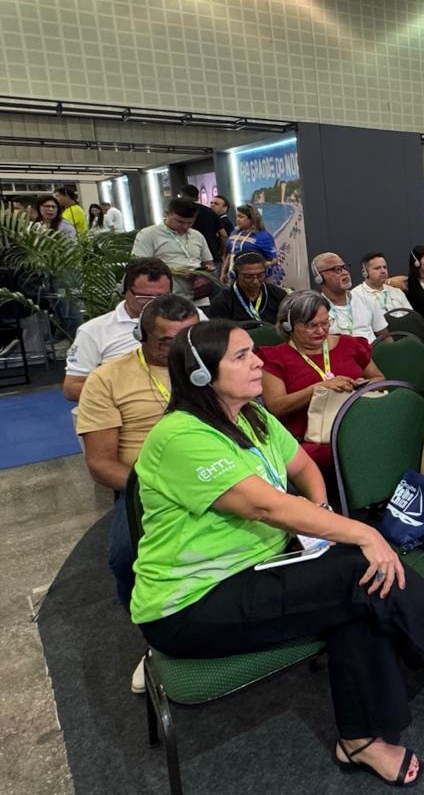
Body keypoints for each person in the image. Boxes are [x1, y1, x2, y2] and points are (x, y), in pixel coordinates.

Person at [132, 318, 424, 787]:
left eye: (252, 351)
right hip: (191, 604)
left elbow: (303, 468)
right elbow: (265, 506)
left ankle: (360, 740)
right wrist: (359, 534)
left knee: (364, 582)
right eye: (241, 356)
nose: (257, 361)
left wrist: (322, 519)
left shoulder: (252, 417)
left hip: (261, 568)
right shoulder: (181, 437)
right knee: (360, 567)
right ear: (202, 374)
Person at [77, 294, 200, 619]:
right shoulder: (107, 379)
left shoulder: (208, 364)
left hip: (215, 469)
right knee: (126, 556)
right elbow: (100, 464)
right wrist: (161, 487)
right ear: (140, 335)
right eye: (167, 342)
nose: (180, 350)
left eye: (189, 338)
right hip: (146, 484)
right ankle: (146, 617)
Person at [260, 291, 385, 483]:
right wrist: (318, 389)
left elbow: (379, 378)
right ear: (288, 326)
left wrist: (360, 388)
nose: (321, 331)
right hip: (312, 441)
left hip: (360, 429)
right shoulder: (276, 358)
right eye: (312, 326)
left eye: (326, 322)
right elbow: (277, 406)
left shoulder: (349, 344)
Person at [63, 258, 174, 401]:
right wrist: (122, 396)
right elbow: (72, 387)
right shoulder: (93, 331)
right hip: (123, 405)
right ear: (124, 291)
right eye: (144, 297)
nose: (154, 303)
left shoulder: (192, 318)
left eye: (162, 297)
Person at [131, 197, 214, 299]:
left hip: (199, 296)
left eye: (190, 223)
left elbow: (208, 262)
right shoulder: (148, 234)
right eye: (180, 222)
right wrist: (173, 272)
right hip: (169, 297)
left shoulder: (197, 235)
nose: (185, 226)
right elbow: (139, 266)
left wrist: (205, 273)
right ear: (167, 214)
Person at [312, 252, 387, 343]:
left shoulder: (367, 300)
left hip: (370, 350)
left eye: (344, 267)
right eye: (337, 269)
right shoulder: (315, 309)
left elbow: (385, 337)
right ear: (320, 277)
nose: (345, 272)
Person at [207, 252, 287, 324]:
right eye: (248, 277)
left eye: (260, 275)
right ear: (235, 275)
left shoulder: (278, 295)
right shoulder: (222, 301)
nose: (255, 281)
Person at [224, 204, 283, 285]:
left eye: (241, 217)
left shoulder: (264, 236)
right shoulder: (234, 233)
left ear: (252, 219)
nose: (237, 220)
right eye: (237, 216)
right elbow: (230, 254)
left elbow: (274, 260)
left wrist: (263, 265)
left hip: (256, 278)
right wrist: (223, 272)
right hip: (234, 276)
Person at [178, 184, 226, 265]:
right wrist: (222, 253)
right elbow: (224, 235)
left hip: (189, 257)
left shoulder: (179, 213)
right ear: (197, 198)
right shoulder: (209, 211)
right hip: (212, 253)